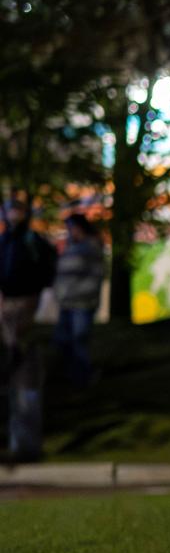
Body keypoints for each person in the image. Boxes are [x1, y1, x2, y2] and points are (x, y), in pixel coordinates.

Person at [0, 197, 56, 460]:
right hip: (12, 304)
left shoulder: (32, 242)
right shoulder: (6, 242)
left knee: (25, 374)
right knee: (17, 375)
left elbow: (46, 269)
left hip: (27, 302)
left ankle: (26, 445)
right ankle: (19, 443)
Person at [51, 212, 104, 386]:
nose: (68, 231)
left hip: (82, 303)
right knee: (63, 339)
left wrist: (77, 293)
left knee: (79, 340)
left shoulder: (91, 247)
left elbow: (95, 277)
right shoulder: (72, 247)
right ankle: (70, 375)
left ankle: (82, 377)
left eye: (71, 227)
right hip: (68, 302)